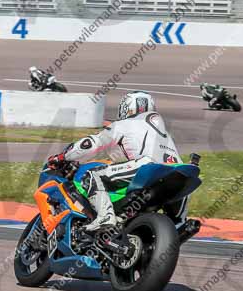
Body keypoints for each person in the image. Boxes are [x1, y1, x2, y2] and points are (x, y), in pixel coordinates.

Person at [46, 91, 191, 233]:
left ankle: (105, 216)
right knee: (178, 222)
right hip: (180, 171)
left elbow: (90, 144)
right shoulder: (162, 132)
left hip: (149, 166)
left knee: (91, 175)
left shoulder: (125, 123)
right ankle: (180, 226)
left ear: (127, 108)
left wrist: (63, 157)